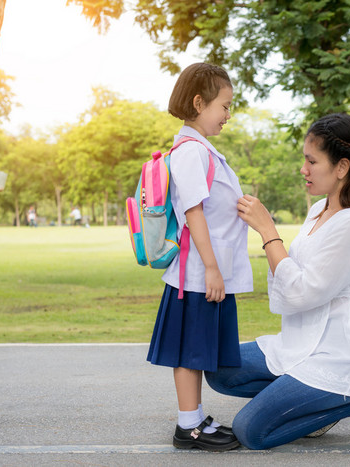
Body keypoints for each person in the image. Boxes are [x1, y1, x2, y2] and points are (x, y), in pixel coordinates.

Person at [206, 113, 350, 450]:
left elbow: (304, 291)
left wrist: (268, 230)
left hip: (340, 352)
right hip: (300, 341)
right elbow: (294, 272)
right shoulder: (319, 210)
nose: (303, 169)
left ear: (341, 168)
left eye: (312, 161)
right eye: (303, 159)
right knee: (219, 368)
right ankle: (316, 400)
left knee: (251, 430)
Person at [145, 62, 253, 452]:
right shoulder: (191, 152)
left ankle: (193, 419)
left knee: (195, 348)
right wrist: (211, 268)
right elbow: (194, 211)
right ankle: (188, 426)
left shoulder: (199, 149)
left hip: (203, 270)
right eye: (224, 106)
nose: (228, 114)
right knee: (191, 350)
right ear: (198, 102)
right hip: (197, 271)